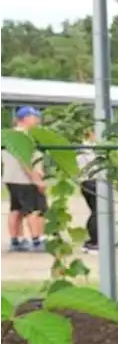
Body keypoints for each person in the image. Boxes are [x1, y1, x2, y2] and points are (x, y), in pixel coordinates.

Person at [2, 107, 48, 252]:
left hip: (11, 177)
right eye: (34, 117)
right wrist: (36, 179)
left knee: (16, 208)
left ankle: (16, 240)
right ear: (25, 118)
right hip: (24, 179)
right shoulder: (23, 136)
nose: (37, 120)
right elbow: (24, 160)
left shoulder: (9, 136)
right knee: (34, 209)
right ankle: (37, 240)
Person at [77, 128, 99, 252]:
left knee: (95, 212)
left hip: (85, 182)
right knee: (98, 212)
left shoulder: (82, 148)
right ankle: (94, 242)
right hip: (93, 181)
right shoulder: (90, 148)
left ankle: (92, 241)